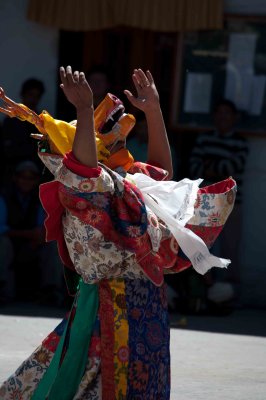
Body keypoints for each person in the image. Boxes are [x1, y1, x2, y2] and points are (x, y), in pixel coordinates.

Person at [0, 67, 236, 399]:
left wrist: (153, 111)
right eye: (101, 131)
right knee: (94, 383)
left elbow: (162, 178)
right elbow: (85, 169)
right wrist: (83, 110)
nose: (116, 133)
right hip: (110, 308)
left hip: (148, 305)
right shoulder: (83, 185)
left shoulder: (126, 181)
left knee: (143, 384)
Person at [189, 99, 249, 309]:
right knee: (203, 247)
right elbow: (195, 167)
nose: (223, 117)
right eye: (219, 112)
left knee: (230, 249)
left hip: (232, 206)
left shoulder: (241, 142)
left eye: (227, 113)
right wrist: (219, 170)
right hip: (206, 204)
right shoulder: (204, 139)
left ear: (234, 117)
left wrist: (211, 168)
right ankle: (203, 294)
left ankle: (228, 297)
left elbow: (232, 167)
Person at [0, 160, 64, 305]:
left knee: (53, 244)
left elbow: (44, 227)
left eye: (31, 178)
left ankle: (51, 290)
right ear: (15, 178)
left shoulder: (41, 199)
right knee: (3, 243)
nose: (26, 181)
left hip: (32, 245)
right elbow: (1, 228)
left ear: (36, 180)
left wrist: (39, 237)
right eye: (23, 177)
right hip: (11, 243)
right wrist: (27, 234)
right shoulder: (4, 197)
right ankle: (3, 289)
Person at [0, 78, 45, 183]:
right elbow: (8, 151)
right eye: (30, 95)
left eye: (36, 96)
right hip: (13, 173)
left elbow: (45, 149)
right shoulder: (10, 121)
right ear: (23, 94)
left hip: (36, 174)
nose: (33, 99)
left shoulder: (42, 121)